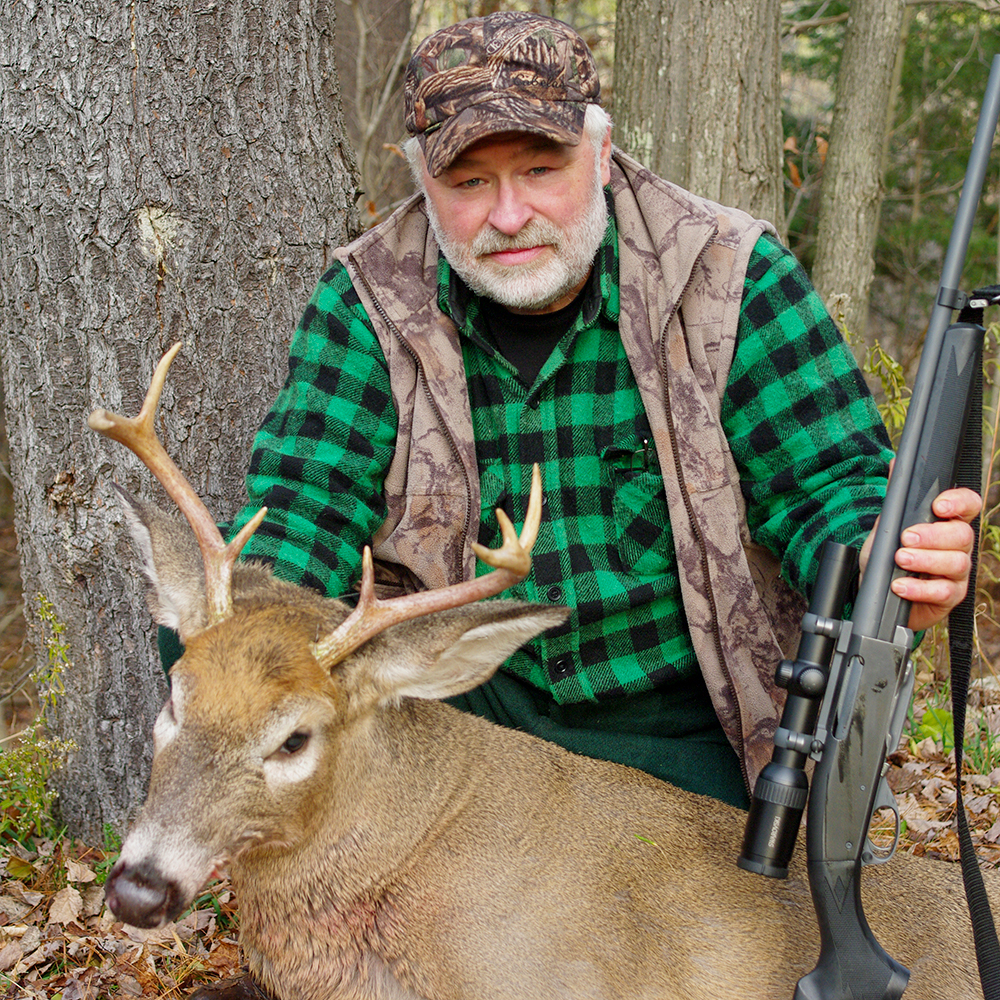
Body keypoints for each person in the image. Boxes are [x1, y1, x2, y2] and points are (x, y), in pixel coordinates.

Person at [187, 11, 978, 999]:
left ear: (600, 152)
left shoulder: (726, 276)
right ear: (419, 178)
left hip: (699, 743)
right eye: (467, 183)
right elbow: (297, 519)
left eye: (540, 169)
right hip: (466, 754)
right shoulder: (369, 305)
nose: (508, 214)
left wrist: (887, 563)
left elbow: (834, 485)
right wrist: (236, 651)